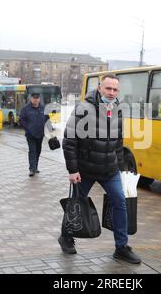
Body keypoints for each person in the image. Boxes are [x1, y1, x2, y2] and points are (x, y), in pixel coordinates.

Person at [58, 73, 142, 264]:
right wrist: (73, 170)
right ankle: (66, 237)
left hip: (109, 170)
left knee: (120, 203)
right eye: (108, 88)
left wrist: (121, 170)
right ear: (100, 89)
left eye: (115, 89)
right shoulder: (83, 109)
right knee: (75, 205)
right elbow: (69, 141)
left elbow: (118, 143)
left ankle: (121, 247)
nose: (112, 93)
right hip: (85, 169)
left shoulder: (118, 109)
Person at [19, 92, 53, 177]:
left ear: (39, 99)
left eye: (37, 98)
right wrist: (28, 129)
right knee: (32, 151)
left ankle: (35, 166)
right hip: (30, 135)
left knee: (38, 151)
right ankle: (32, 169)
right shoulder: (26, 109)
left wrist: (51, 130)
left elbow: (47, 120)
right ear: (31, 99)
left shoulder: (43, 108)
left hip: (40, 134)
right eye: (34, 98)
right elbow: (22, 120)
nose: (36, 100)